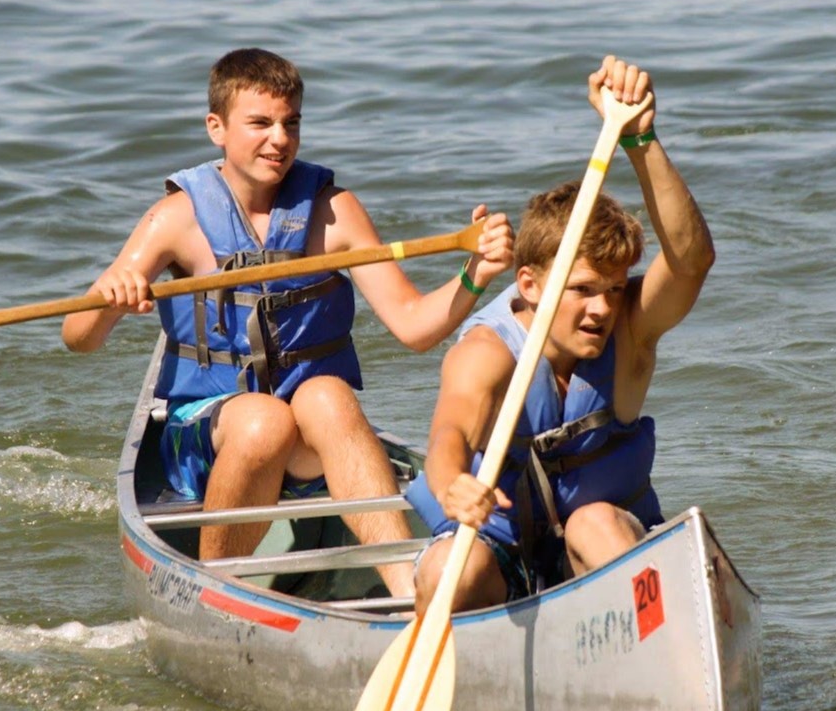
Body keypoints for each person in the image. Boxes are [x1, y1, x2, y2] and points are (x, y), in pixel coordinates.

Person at [61, 47, 513, 598]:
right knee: (262, 420)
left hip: (309, 435)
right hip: (206, 433)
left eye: (290, 123)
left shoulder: (333, 210)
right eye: (260, 123)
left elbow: (414, 327)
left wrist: (476, 275)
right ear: (216, 128)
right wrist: (107, 300)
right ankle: (214, 590)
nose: (279, 138)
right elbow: (78, 339)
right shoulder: (174, 220)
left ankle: (406, 590)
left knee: (327, 394)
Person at [406, 56, 714, 615]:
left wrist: (640, 138)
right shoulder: (487, 352)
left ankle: (657, 641)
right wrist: (453, 484)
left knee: (594, 522)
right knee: (451, 569)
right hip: (502, 552)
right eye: (583, 290)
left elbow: (691, 262)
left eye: (615, 289)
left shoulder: (631, 329)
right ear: (529, 283)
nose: (603, 309)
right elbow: (450, 428)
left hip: (601, 552)